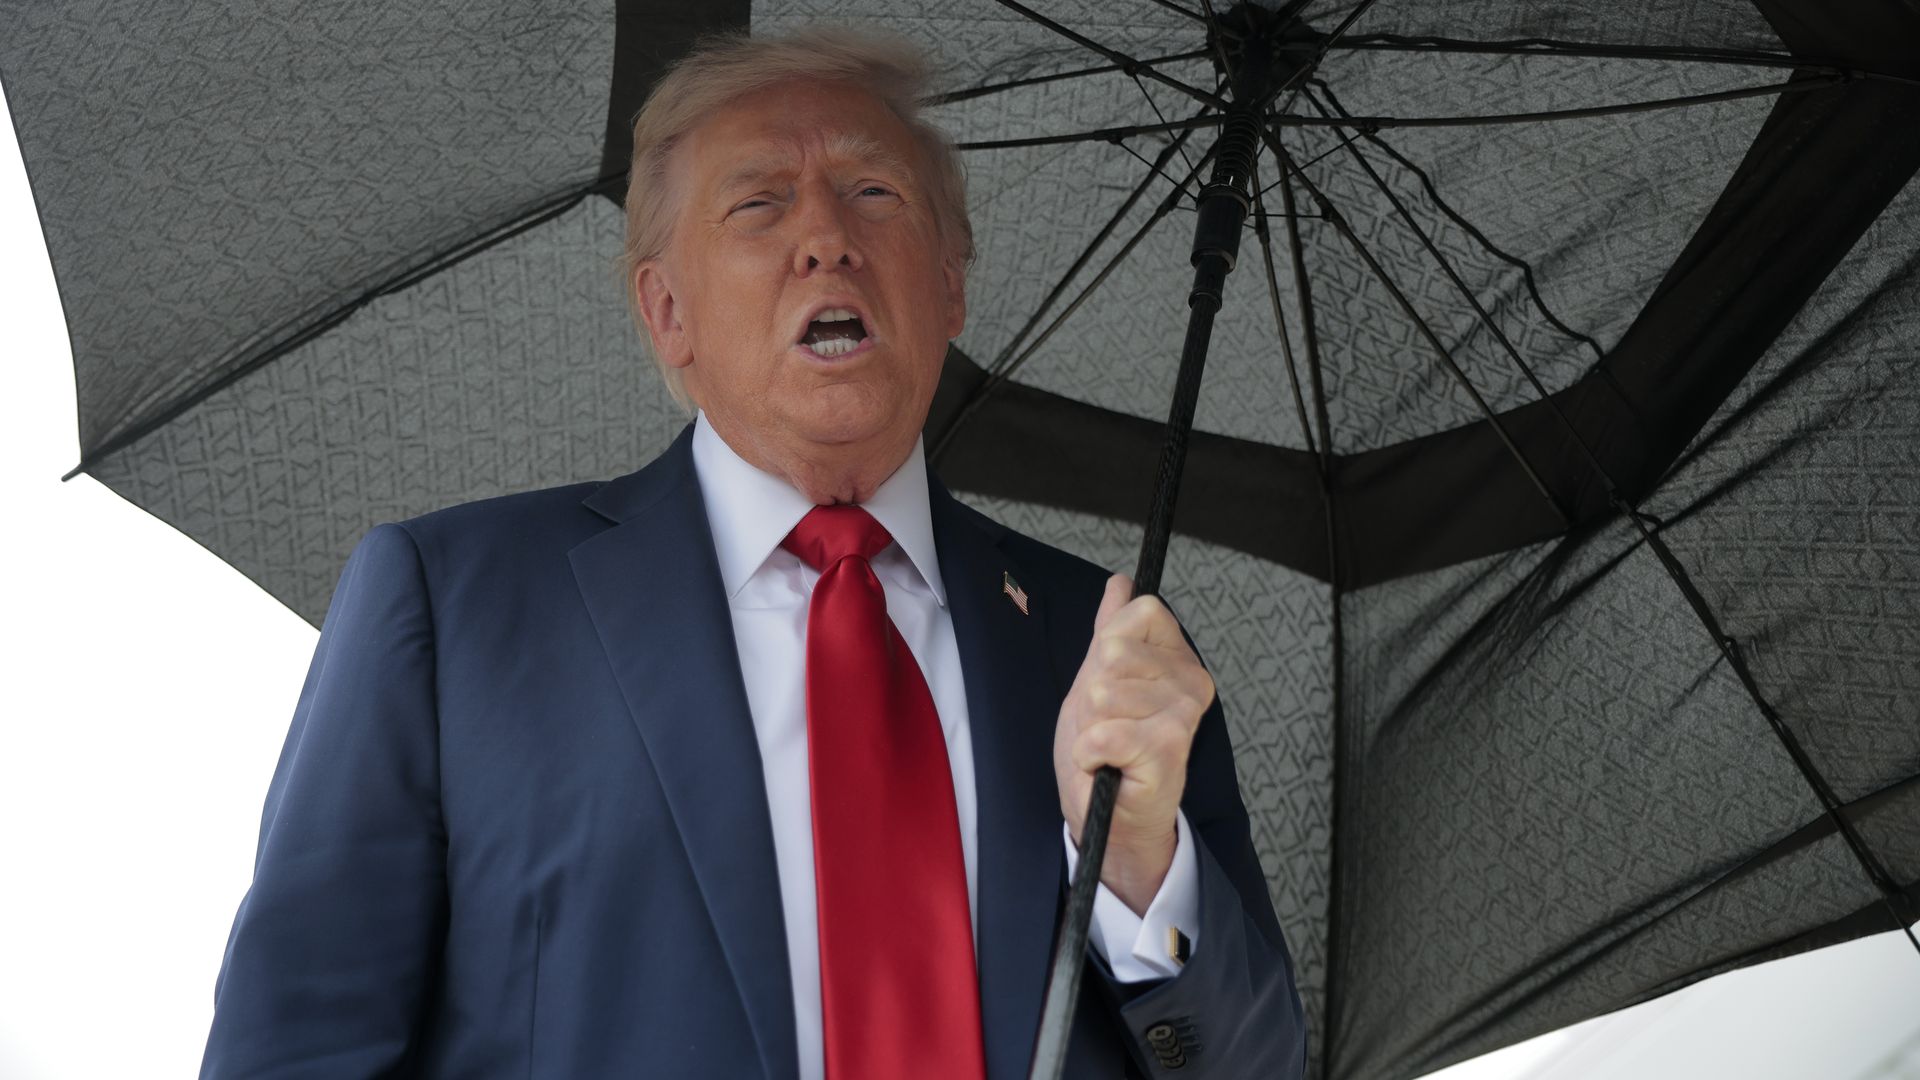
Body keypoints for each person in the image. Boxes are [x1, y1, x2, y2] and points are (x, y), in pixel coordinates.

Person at [200, 28, 1305, 1080]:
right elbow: (296, 1047)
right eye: (760, 203)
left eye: (874, 192)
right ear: (666, 311)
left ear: (951, 282)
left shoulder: (1109, 651)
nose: (826, 237)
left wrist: (1138, 869)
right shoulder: (456, 609)